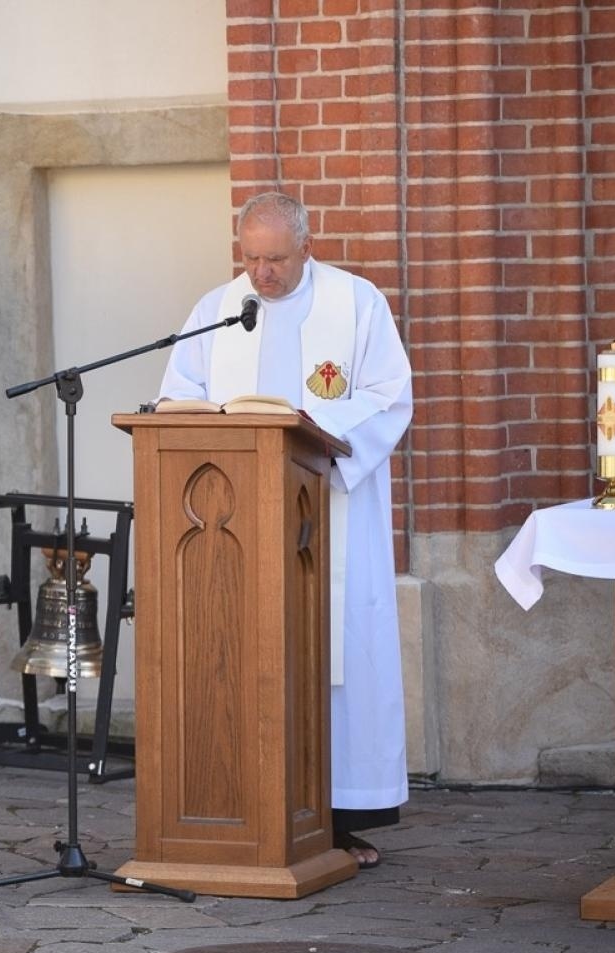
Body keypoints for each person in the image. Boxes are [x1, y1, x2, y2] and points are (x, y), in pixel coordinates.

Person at [157, 191, 413, 868]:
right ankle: (242, 808)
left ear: (306, 245)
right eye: (252, 258)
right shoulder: (217, 309)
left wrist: (322, 431)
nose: (263, 274)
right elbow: (178, 391)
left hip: (328, 508)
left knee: (332, 660)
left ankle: (337, 819)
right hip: (236, 520)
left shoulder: (356, 303)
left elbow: (390, 393)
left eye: (276, 259)